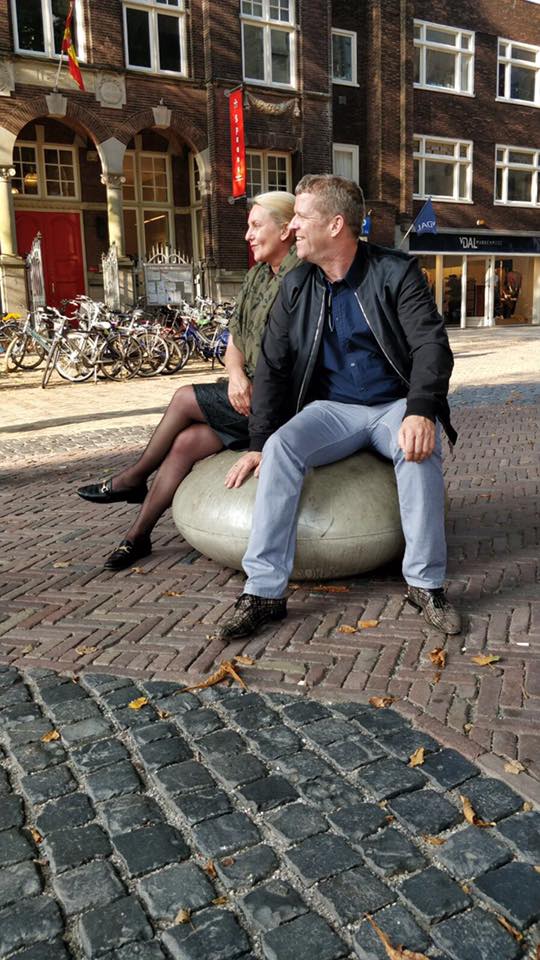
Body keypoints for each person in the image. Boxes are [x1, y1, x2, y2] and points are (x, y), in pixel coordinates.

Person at [216, 173, 461, 639]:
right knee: (281, 448)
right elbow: (273, 367)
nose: (292, 227)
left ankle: (425, 585)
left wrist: (420, 409)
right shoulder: (296, 285)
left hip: (394, 403)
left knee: (417, 450)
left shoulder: (396, 272)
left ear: (335, 225)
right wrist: (259, 442)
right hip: (333, 408)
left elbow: (431, 345)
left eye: (301, 217)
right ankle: (264, 592)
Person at [77, 192, 299, 570]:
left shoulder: (301, 279)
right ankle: (137, 537)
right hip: (244, 392)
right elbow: (234, 340)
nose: (247, 235)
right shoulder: (256, 276)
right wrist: (234, 376)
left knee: (184, 397)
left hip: (278, 400)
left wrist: (247, 386)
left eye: (256, 226)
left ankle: (133, 478)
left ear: (285, 230)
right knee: (184, 443)